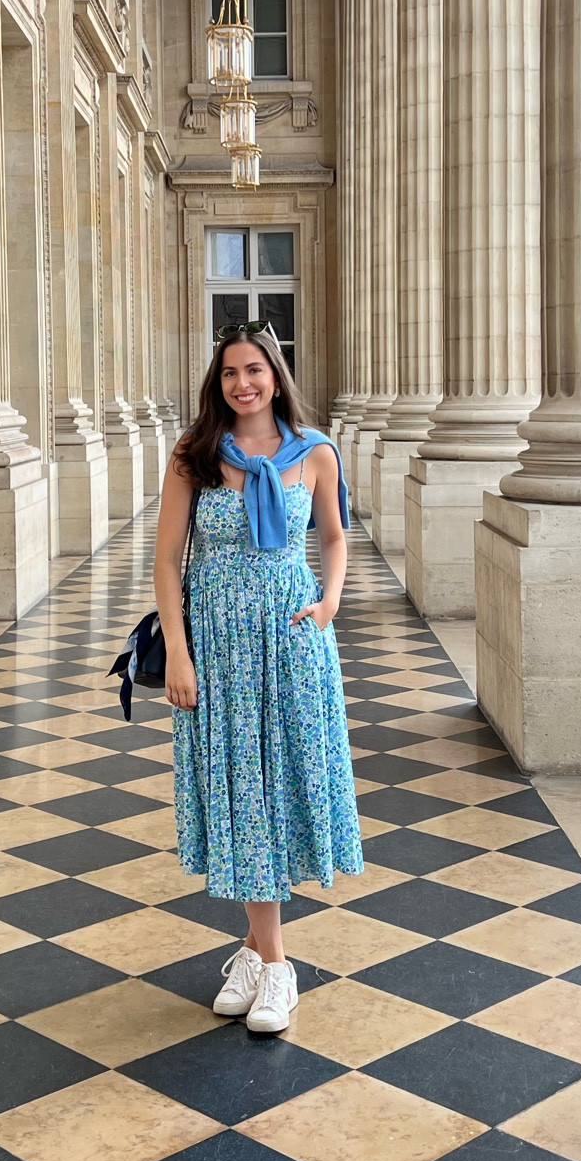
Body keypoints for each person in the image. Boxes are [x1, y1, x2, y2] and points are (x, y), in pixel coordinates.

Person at [153, 323, 363, 1035]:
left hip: (292, 638)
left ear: (276, 374)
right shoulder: (195, 455)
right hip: (217, 645)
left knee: (279, 788)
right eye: (229, 374)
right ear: (218, 385)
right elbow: (165, 563)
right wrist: (178, 655)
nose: (243, 383)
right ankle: (271, 961)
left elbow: (333, 536)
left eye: (255, 370)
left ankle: (263, 961)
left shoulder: (316, 453)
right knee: (242, 789)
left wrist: (330, 600)